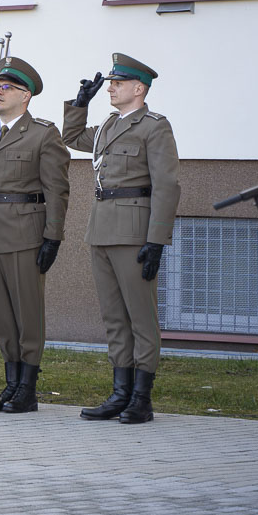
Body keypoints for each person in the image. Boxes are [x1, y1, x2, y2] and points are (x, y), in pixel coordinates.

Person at [62, 53, 180, 425]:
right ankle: (120, 393)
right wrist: (80, 105)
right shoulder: (109, 126)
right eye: (110, 83)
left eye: (117, 83)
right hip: (101, 228)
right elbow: (72, 138)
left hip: (134, 231)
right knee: (113, 317)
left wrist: (156, 240)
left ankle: (141, 398)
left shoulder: (154, 127)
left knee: (140, 317)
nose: (110, 88)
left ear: (138, 88)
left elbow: (166, 185)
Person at [0, 55, 70, 414]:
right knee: (1, 314)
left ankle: (28, 387)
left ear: (26, 96)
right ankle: (11, 382)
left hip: (25, 233)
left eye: (7, 87)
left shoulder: (42, 133)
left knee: (27, 313)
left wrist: (53, 236)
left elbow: (57, 190)